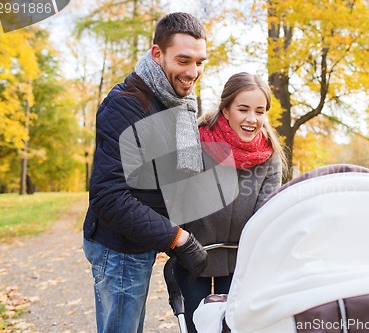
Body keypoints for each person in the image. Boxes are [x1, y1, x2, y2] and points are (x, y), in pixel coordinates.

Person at [82, 12, 209, 333]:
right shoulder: (127, 105)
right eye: (183, 60)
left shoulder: (175, 103)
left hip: (141, 241)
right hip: (119, 247)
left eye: (200, 62)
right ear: (157, 54)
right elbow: (109, 197)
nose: (193, 72)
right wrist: (176, 238)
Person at [174, 72, 287, 332]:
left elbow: (266, 211)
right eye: (243, 109)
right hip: (193, 253)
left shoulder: (269, 154)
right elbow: (179, 199)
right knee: (195, 325)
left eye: (260, 111)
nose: (252, 119)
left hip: (240, 258)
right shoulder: (197, 141)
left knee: (234, 326)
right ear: (226, 109)